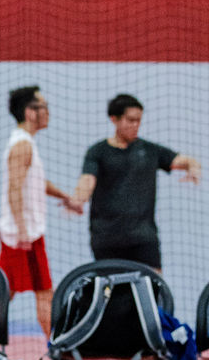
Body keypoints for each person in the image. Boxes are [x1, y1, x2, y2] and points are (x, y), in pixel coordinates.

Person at [71, 93, 201, 269]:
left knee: (154, 288)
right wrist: (79, 199)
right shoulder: (98, 151)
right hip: (107, 238)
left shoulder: (150, 150)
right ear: (114, 119)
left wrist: (193, 167)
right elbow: (87, 180)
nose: (135, 125)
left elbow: (184, 160)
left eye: (138, 120)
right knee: (111, 291)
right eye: (130, 120)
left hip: (143, 237)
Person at [0, 86, 80, 338]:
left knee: (6, 292)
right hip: (24, 236)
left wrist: (66, 197)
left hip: (25, 233)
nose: (48, 112)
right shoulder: (22, 145)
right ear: (30, 112)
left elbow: (36, 182)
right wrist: (22, 229)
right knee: (42, 292)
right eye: (44, 106)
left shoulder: (26, 143)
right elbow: (14, 187)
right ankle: (56, 350)